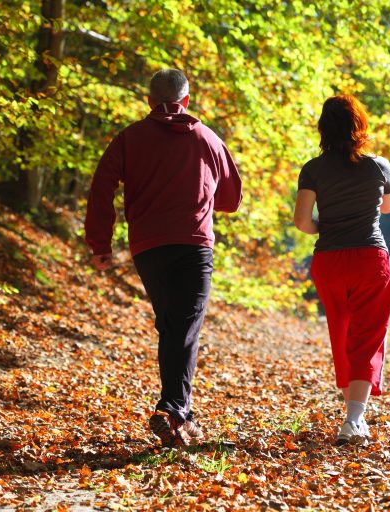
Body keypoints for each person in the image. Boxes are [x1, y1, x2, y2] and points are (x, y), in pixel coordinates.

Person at [84, 69, 243, 447]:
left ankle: (179, 416)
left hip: (148, 247)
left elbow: (100, 188)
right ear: (186, 100)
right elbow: (231, 200)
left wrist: (100, 244)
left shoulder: (129, 139)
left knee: (173, 326)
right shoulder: (207, 138)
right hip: (193, 244)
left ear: (149, 100)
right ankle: (172, 408)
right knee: (183, 328)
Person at [294, 94, 390, 445]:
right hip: (370, 258)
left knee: (342, 330)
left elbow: (302, 221)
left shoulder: (312, 169)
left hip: (329, 261)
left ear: (323, 129)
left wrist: (328, 226)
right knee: (367, 336)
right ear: (360, 125)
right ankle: (354, 420)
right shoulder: (379, 166)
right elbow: (387, 206)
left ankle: (353, 410)